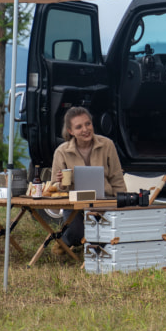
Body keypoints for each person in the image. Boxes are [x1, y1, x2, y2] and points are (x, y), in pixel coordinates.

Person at [51, 106, 126, 247]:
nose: (85, 129)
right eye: (79, 127)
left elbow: (117, 177)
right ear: (70, 131)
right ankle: (65, 240)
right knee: (76, 236)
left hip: (104, 201)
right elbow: (54, 187)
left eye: (88, 124)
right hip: (75, 204)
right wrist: (60, 184)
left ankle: (94, 240)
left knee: (110, 235)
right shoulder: (61, 152)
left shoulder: (107, 145)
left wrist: (122, 202)